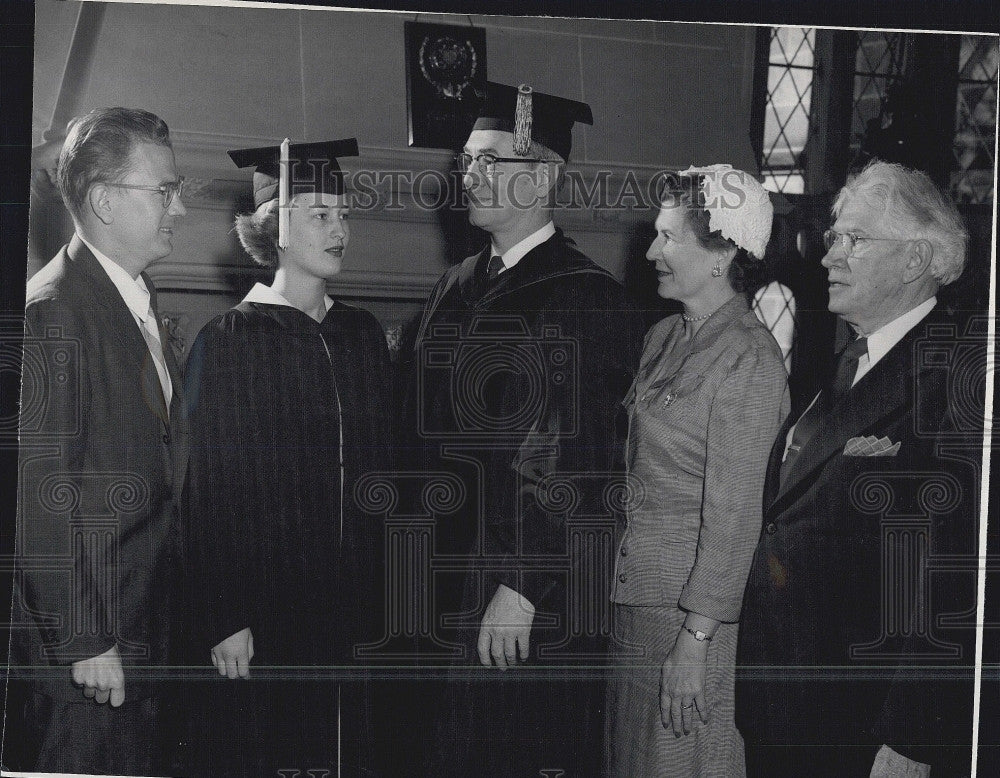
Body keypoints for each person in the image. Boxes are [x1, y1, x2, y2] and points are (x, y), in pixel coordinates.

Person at [401, 81, 638, 776]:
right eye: (465, 163)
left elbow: (576, 452)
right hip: (437, 570)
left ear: (541, 176)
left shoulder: (585, 296)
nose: (467, 177)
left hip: (517, 582)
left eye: (488, 161)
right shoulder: (455, 284)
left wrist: (524, 582)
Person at [737, 161, 984, 777]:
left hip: (864, 725)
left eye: (855, 240)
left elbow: (952, 576)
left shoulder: (953, 378)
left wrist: (913, 738)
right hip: (788, 703)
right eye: (833, 239)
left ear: (915, 259)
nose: (829, 258)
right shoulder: (851, 360)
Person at [181, 139, 391, 776]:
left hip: (358, 601)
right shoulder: (228, 341)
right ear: (274, 225)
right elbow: (206, 488)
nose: (340, 229)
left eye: (344, 214)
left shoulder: (361, 336)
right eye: (320, 215)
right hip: (270, 603)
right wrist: (225, 614)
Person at [5, 107, 189, 774]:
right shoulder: (53, 311)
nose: (180, 208)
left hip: (143, 639)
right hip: (88, 657)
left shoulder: (133, 302)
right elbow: (33, 495)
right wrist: (86, 639)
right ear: (108, 200)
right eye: (165, 190)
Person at [606, 165, 788, 777]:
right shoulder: (663, 335)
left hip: (693, 622)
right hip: (637, 607)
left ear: (723, 255)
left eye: (668, 237)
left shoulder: (751, 357)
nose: (652, 251)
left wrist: (696, 641)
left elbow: (735, 516)